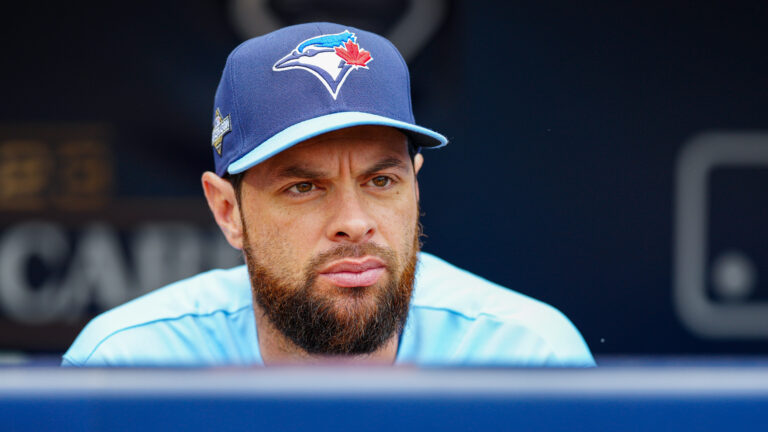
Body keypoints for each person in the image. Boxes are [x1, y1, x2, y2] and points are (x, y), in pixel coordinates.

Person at [62, 22, 595, 367]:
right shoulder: (126, 365)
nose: (354, 221)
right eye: (303, 187)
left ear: (416, 183)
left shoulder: (528, 358)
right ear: (228, 212)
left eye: (381, 181)